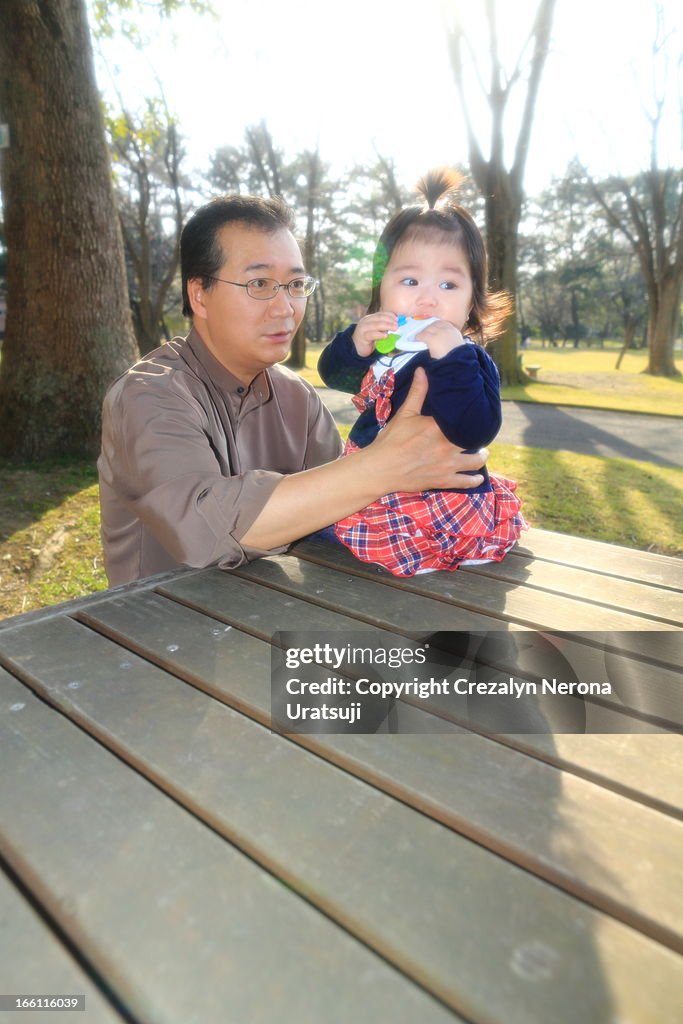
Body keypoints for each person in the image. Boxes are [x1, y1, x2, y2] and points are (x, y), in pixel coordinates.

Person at [98, 193, 488, 586]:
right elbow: (201, 533)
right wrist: (383, 467)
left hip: (275, 617)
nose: (285, 307)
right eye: (260, 283)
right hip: (157, 629)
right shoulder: (147, 395)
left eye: (296, 284)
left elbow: (341, 508)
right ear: (199, 294)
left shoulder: (297, 398)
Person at [318, 169, 527, 577]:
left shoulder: (465, 357)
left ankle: (438, 550)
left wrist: (450, 358)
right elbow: (335, 376)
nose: (428, 299)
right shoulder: (385, 346)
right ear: (381, 289)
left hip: (437, 493)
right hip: (376, 482)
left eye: (449, 285)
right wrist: (353, 345)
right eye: (410, 280)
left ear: (472, 303)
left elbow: (475, 429)